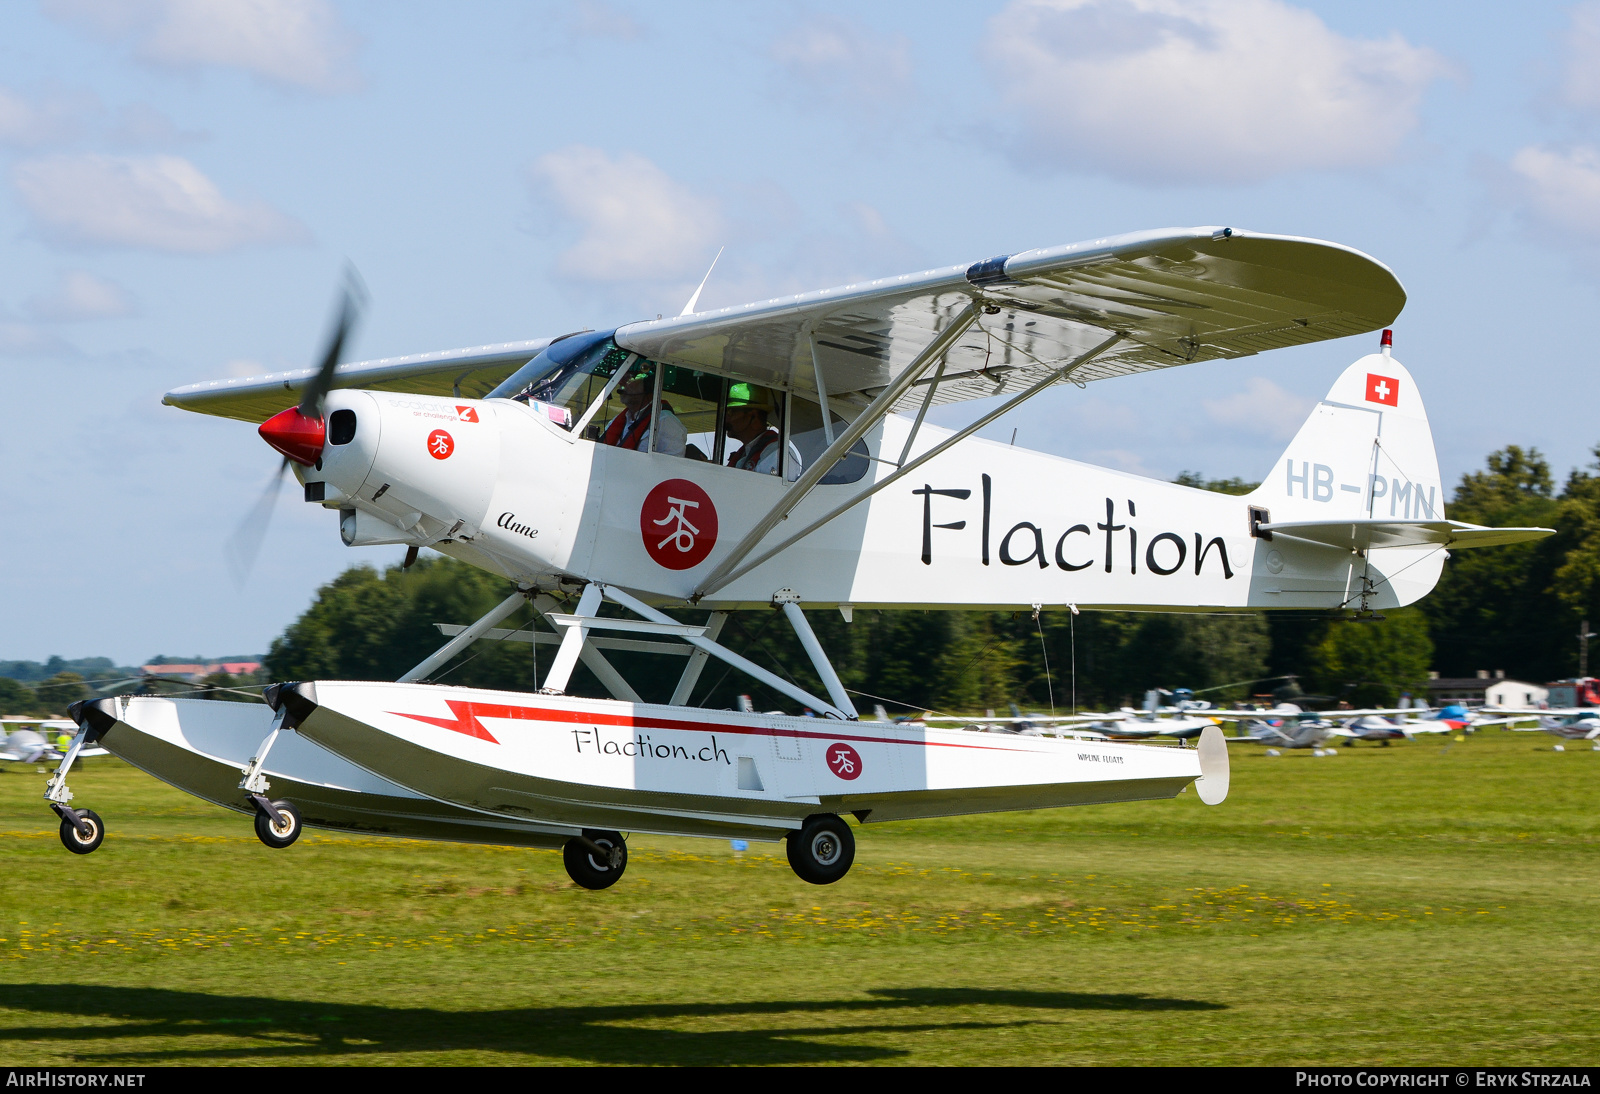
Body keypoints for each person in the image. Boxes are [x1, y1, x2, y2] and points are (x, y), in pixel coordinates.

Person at [723, 383, 799, 479]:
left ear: (754, 417)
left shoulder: (777, 454)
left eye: (731, 412)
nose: (726, 419)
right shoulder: (746, 453)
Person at [599, 374, 686, 457]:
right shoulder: (616, 421)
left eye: (629, 378)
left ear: (648, 385)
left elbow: (671, 466)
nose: (621, 383)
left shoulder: (666, 421)